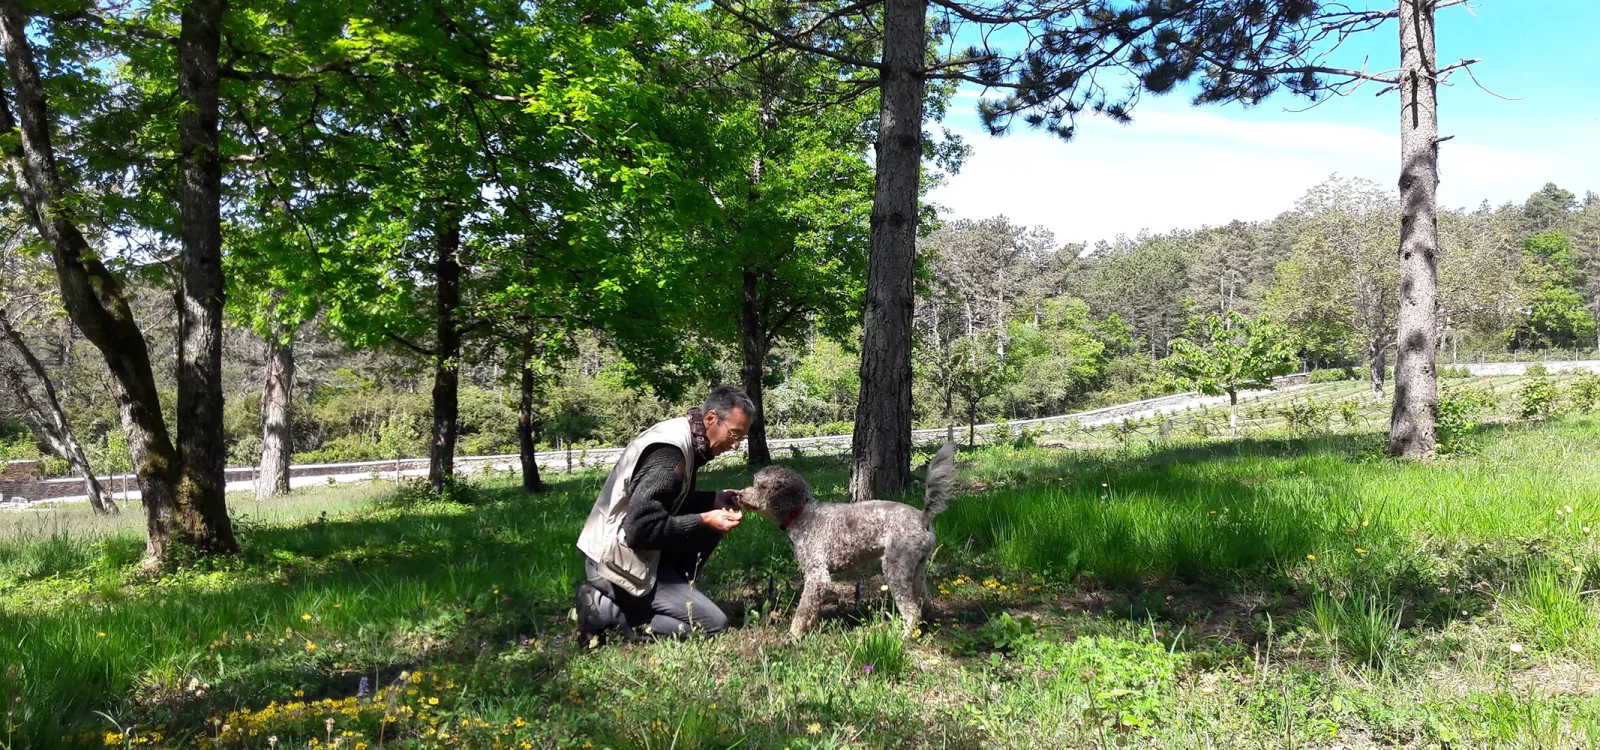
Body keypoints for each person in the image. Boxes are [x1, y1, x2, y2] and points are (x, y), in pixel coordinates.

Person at [574, 385, 754, 640]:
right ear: (711, 418)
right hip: (611, 564)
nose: (736, 445)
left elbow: (667, 501)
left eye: (741, 438)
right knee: (713, 624)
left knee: (710, 518)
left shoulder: (685, 435)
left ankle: (672, 594)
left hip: (631, 555)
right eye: (734, 434)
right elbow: (639, 531)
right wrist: (704, 519)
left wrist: (713, 499)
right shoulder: (670, 455)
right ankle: (604, 609)